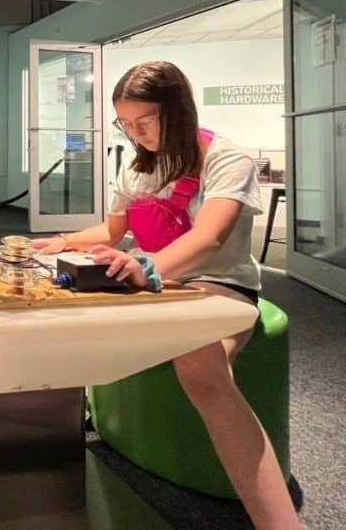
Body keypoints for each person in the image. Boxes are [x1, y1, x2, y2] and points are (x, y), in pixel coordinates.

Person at [32, 61, 298, 530]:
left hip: (216, 284)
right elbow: (115, 231)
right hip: (150, 280)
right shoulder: (137, 168)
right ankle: (81, 417)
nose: (135, 134)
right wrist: (64, 243)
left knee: (201, 368)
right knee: (60, 307)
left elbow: (210, 238)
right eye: (126, 124)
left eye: (144, 123)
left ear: (177, 111)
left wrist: (149, 267)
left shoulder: (225, 159)